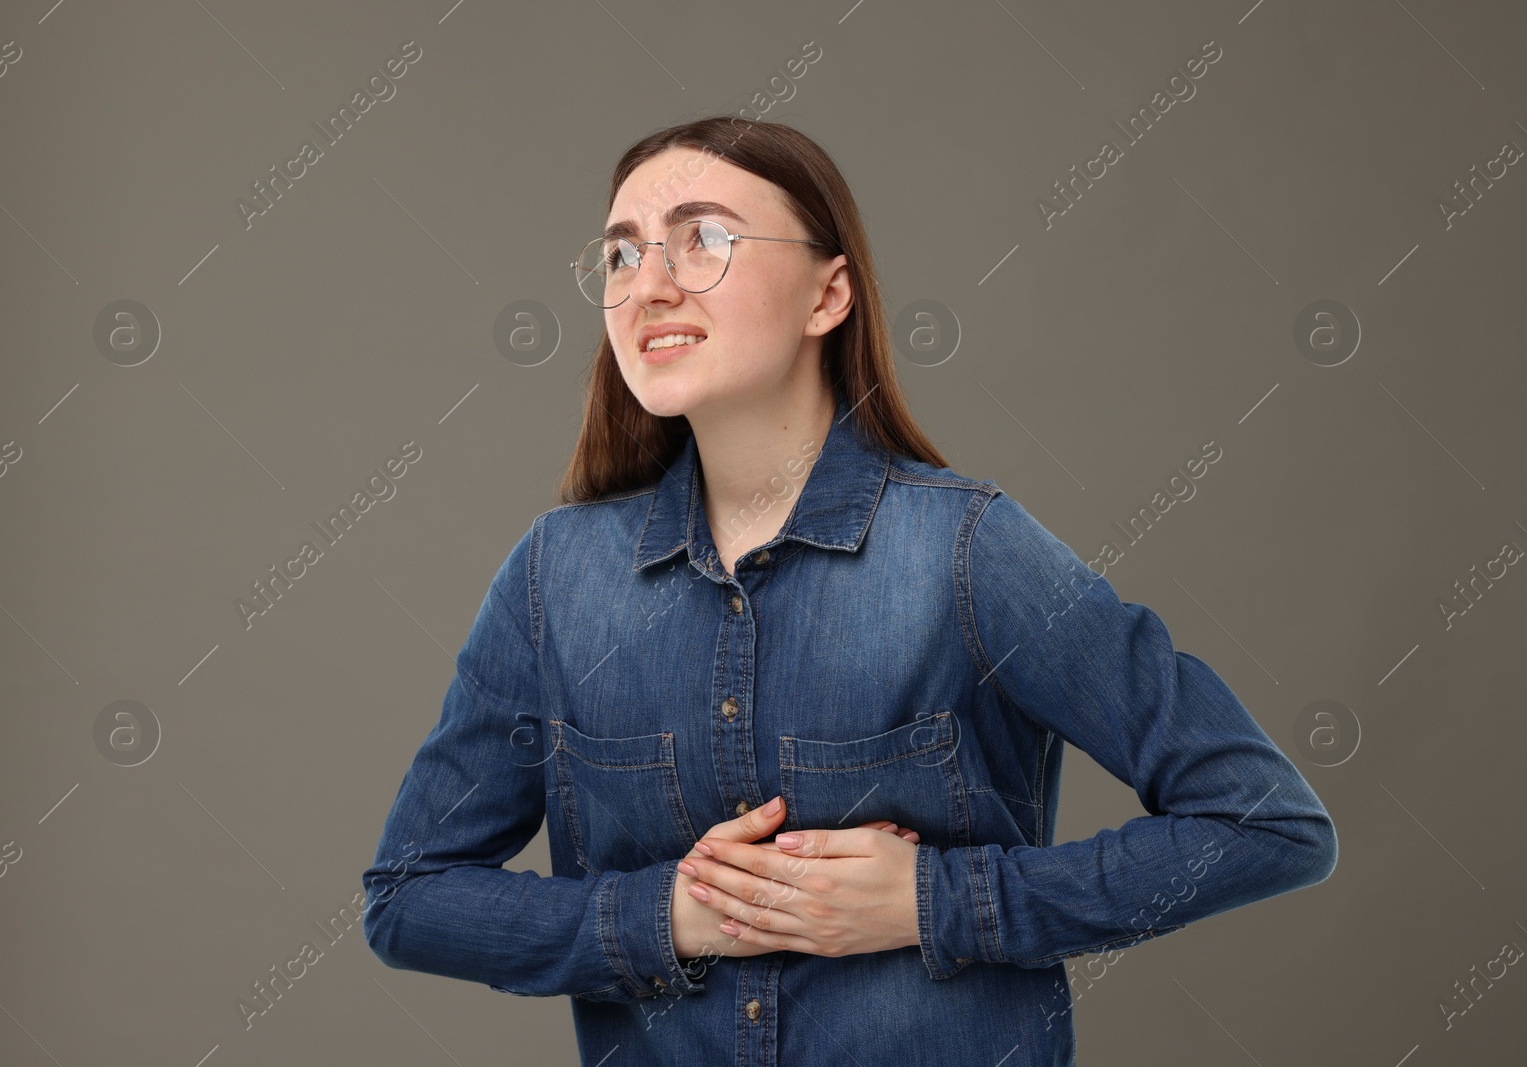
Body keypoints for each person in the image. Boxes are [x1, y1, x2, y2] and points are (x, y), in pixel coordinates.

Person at [361, 116, 1337, 1066]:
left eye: (702, 239)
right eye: (619, 255)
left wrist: (933, 901)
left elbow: (1262, 821)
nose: (648, 285)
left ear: (828, 294)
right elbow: (408, 895)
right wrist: (670, 916)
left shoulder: (966, 547)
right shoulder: (554, 577)